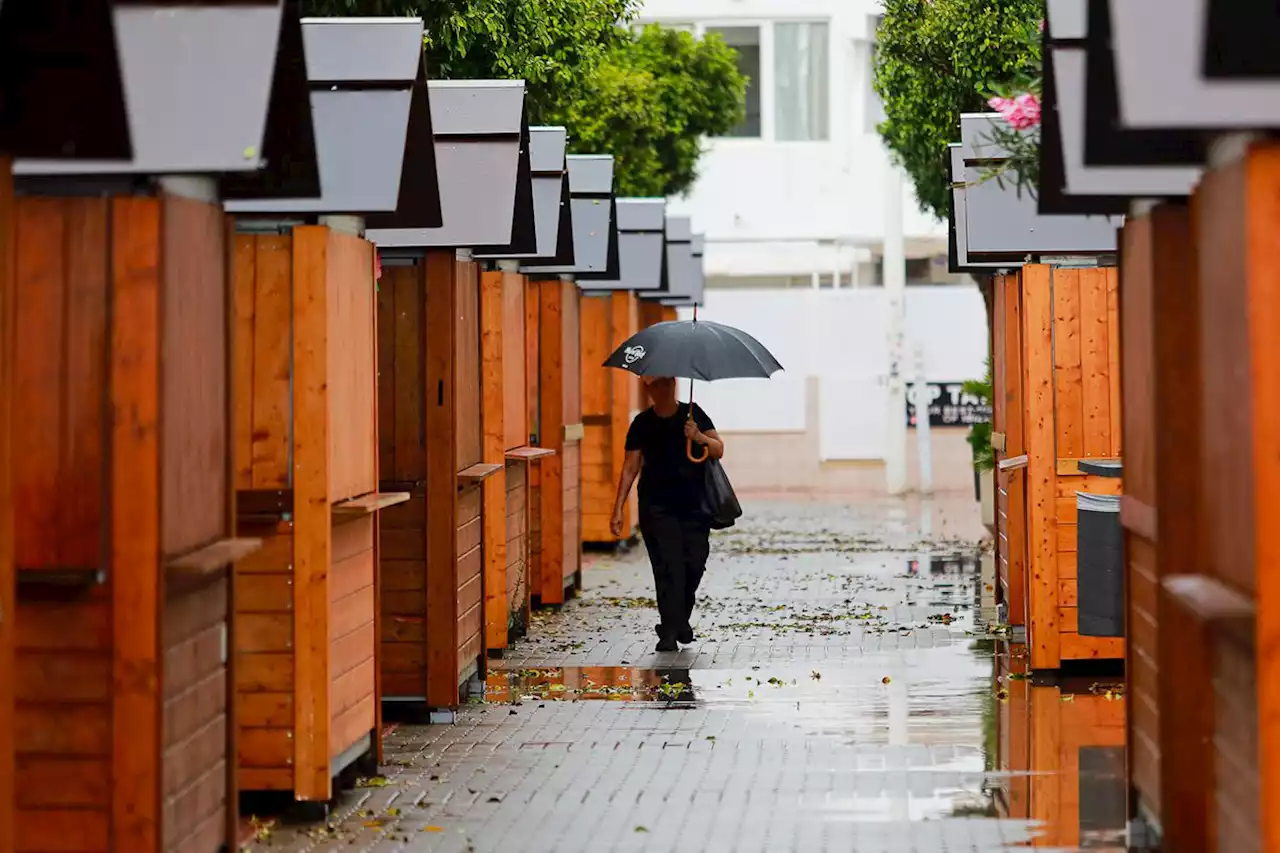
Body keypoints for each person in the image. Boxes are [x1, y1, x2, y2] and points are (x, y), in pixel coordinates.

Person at [610, 376, 725, 651]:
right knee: (668, 567)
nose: (663, 388)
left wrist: (697, 436)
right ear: (647, 389)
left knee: (694, 564)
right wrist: (618, 508)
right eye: (656, 384)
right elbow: (629, 468)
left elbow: (718, 450)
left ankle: (679, 619)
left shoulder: (693, 414)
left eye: (667, 382)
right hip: (657, 506)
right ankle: (669, 632)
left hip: (696, 506)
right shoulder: (642, 424)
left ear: (674, 384)